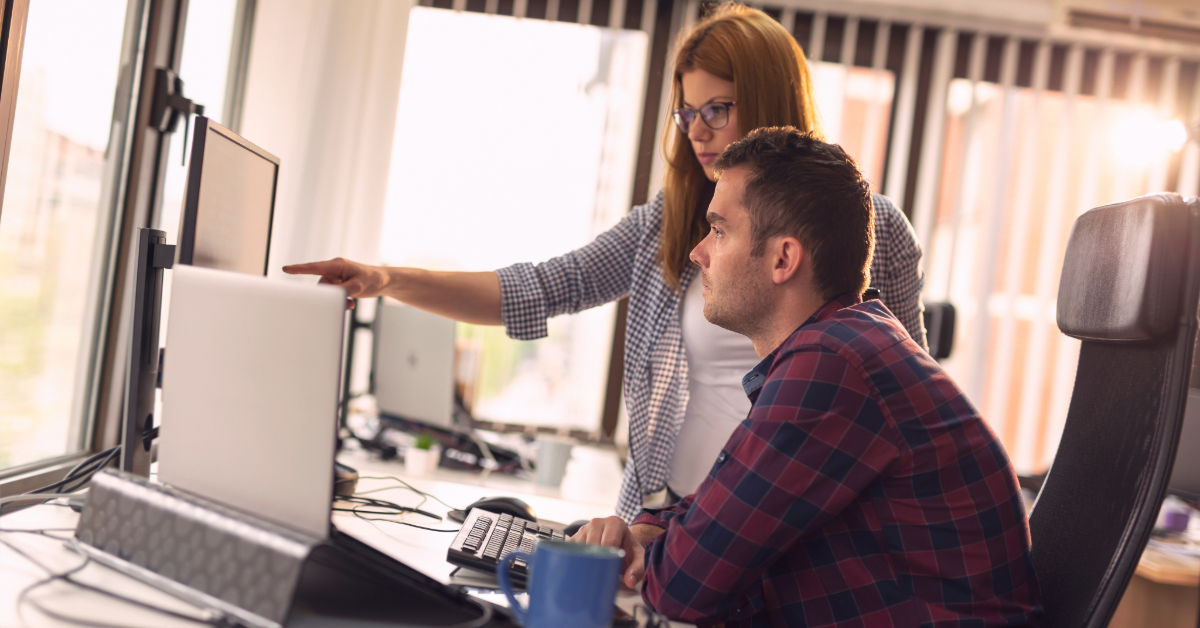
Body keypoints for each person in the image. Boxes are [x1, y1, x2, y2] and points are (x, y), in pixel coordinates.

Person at [282, 3, 927, 522]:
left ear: (767, 103)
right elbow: (539, 288)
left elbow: (903, 401)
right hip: (665, 509)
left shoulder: (873, 226)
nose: (696, 131)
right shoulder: (669, 225)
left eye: (717, 110)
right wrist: (385, 279)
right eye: (686, 112)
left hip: (785, 528)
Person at [571, 127, 1040, 627]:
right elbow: (718, 509)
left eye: (720, 230)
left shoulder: (835, 364)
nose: (698, 252)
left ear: (783, 259)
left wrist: (655, 549)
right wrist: (646, 533)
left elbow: (685, 587)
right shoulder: (845, 344)